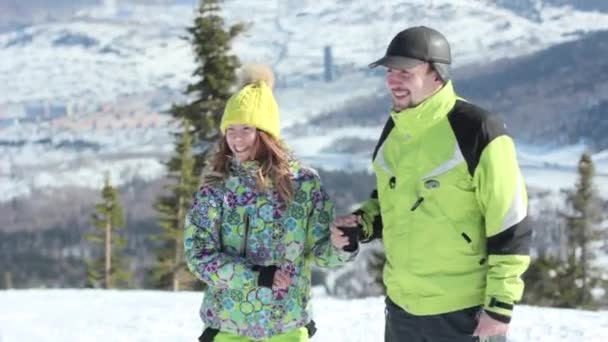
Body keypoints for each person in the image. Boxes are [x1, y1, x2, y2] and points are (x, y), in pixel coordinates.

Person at [333, 26, 532, 341]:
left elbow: (511, 222)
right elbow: (391, 201)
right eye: (389, 71)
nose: (392, 80)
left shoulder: (478, 129)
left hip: (465, 310)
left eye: (404, 71)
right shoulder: (395, 130)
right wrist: (362, 225)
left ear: (437, 75)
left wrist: (499, 306)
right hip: (402, 307)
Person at [184, 64, 356, 342]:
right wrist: (257, 276)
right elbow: (199, 257)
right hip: (230, 327)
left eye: (246, 129)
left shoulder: (304, 184)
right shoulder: (216, 188)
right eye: (230, 130)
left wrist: (341, 244)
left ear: (266, 133)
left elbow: (320, 252)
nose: (236, 139)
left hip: (287, 326)